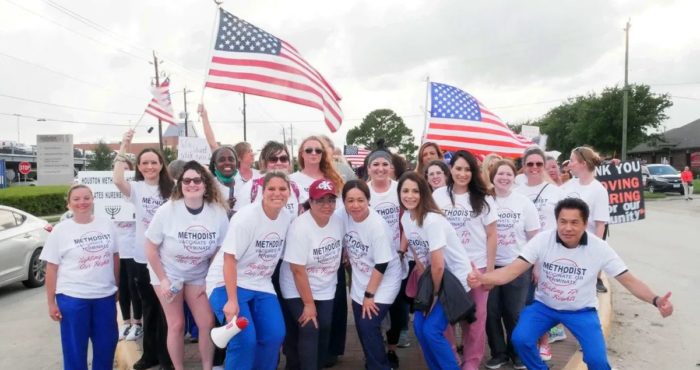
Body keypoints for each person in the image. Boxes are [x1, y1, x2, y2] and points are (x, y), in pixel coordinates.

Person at [468, 197, 674, 370]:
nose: (567, 228)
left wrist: (656, 300)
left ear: (585, 224)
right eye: (563, 221)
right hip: (544, 307)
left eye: (574, 222)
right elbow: (512, 270)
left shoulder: (599, 248)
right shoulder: (542, 240)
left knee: (597, 361)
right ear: (556, 221)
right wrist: (483, 278)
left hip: (581, 311)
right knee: (521, 339)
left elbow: (629, 280)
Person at [144, 160, 229, 370]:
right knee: (176, 324)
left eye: (197, 180)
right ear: (180, 184)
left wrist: (209, 280)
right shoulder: (167, 210)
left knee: (206, 322)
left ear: (206, 184)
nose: (192, 184)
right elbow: (150, 248)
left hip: (198, 274)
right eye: (186, 180)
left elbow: (220, 251)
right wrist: (163, 280)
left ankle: (207, 367)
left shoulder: (217, 212)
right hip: (167, 272)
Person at [212, 172, 294, 370]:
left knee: (275, 335)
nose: (277, 193)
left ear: (289, 192)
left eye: (282, 189)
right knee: (244, 341)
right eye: (271, 189)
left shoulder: (286, 217)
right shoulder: (246, 217)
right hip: (227, 283)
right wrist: (232, 301)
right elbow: (229, 259)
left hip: (261, 283)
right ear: (262, 192)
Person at [398, 172, 473, 370]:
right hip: (434, 278)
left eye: (415, 191)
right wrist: (425, 286)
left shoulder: (432, 220)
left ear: (423, 194)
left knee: (432, 330)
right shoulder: (406, 217)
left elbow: (439, 264)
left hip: (454, 280)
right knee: (419, 328)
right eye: (405, 191)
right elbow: (418, 253)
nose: (410, 195)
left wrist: (433, 296)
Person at [113, 130, 174, 370]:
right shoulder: (136, 188)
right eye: (145, 163)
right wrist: (123, 146)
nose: (149, 166)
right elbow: (118, 180)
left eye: (154, 162)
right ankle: (150, 356)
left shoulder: (174, 188)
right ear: (139, 166)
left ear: (161, 165)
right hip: (142, 258)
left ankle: (168, 357)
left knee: (168, 313)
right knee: (149, 310)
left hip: (168, 259)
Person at [41, 184, 120, 370]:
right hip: (72, 298)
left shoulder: (107, 224)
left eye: (86, 198)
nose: (82, 202)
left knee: (106, 346)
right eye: (76, 199)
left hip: (104, 297)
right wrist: (51, 302)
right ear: (69, 204)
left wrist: (117, 285)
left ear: (93, 200)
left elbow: (115, 257)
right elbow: (51, 268)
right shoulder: (61, 231)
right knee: (74, 350)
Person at [432, 150, 497, 370]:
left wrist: (488, 272)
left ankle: (471, 362)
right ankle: (451, 359)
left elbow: (491, 235)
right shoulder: (439, 195)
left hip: (476, 268)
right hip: (448, 269)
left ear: (474, 172)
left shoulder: (485, 197)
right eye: (458, 168)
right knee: (445, 320)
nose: (462, 173)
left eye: (467, 169)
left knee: (476, 320)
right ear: (450, 169)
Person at [290, 136, 346, 365]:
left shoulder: (334, 179)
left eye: (318, 150)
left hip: (328, 253)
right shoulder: (292, 180)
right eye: (309, 149)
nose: (314, 153)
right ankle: (297, 361)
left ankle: (326, 355)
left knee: (327, 319)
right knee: (304, 324)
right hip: (300, 252)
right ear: (301, 153)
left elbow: (341, 214)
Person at [280, 179, 344, 370]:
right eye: (320, 200)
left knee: (324, 326)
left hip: (325, 284)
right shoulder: (300, 227)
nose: (327, 205)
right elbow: (297, 270)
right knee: (309, 327)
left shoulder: (338, 221)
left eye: (331, 200)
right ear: (311, 201)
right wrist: (308, 304)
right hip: (296, 286)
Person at [484, 160, 540, 369]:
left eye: (508, 174)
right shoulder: (484, 200)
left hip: (517, 266)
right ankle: (498, 353)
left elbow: (535, 237)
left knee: (515, 313)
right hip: (490, 266)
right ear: (493, 176)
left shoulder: (523, 202)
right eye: (500, 174)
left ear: (513, 177)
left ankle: (516, 353)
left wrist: (536, 265)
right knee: (491, 312)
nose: (504, 178)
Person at [342, 180, 402, 370]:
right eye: (350, 200)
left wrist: (369, 295)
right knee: (362, 327)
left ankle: (381, 366)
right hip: (361, 279)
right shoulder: (344, 216)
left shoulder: (377, 226)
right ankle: (373, 361)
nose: (355, 205)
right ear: (344, 202)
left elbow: (382, 263)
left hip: (383, 281)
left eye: (360, 200)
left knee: (368, 325)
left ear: (369, 200)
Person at [514, 147, 566, 360]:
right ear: (523, 167)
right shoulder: (517, 191)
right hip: (522, 254)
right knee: (525, 302)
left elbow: (564, 223)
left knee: (542, 300)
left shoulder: (555, 192)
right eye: (530, 164)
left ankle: (544, 342)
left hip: (549, 253)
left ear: (544, 166)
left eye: (538, 164)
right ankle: (527, 343)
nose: (534, 168)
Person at [365, 146, 409, 368]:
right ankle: (374, 351)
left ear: (391, 167)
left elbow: (409, 220)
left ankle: (391, 350)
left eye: (385, 164)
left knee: (398, 311)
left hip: (396, 258)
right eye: (376, 164)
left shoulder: (400, 189)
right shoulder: (363, 191)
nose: (380, 168)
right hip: (368, 261)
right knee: (371, 309)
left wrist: (401, 251)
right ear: (368, 168)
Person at [561, 146, 610, 293]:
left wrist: (594, 252)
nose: (569, 164)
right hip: (564, 245)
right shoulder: (568, 185)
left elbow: (601, 225)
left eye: (572, 160)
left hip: (584, 247)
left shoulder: (598, 190)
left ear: (583, 163)